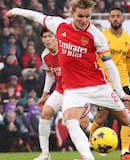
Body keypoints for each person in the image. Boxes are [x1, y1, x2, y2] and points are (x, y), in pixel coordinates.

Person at [6, 0, 130, 160]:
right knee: (70, 119)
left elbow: (109, 65)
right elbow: (37, 16)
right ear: (72, 13)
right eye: (80, 16)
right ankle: (87, 156)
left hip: (98, 86)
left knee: (124, 118)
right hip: (73, 89)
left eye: (87, 16)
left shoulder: (97, 35)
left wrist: (120, 93)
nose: (84, 20)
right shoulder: (60, 25)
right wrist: (15, 11)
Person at [89, 7, 130, 160]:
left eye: (118, 16)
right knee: (100, 118)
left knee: (126, 115)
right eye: (113, 16)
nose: (115, 19)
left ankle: (125, 152)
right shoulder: (101, 36)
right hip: (104, 82)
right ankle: (88, 149)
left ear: (123, 19)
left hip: (123, 82)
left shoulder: (129, 39)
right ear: (108, 19)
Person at [34, 28, 91, 160]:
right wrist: (45, 94)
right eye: (44, 37)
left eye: (50, 36)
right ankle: (45, 154)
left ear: (57, 37)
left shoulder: (67, 51)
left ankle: (101, 143)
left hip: (76, 90)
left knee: (84, 124)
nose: (47, 39)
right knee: (45, 113)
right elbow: (49, 74)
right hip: (60, 90)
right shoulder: (45, 56)